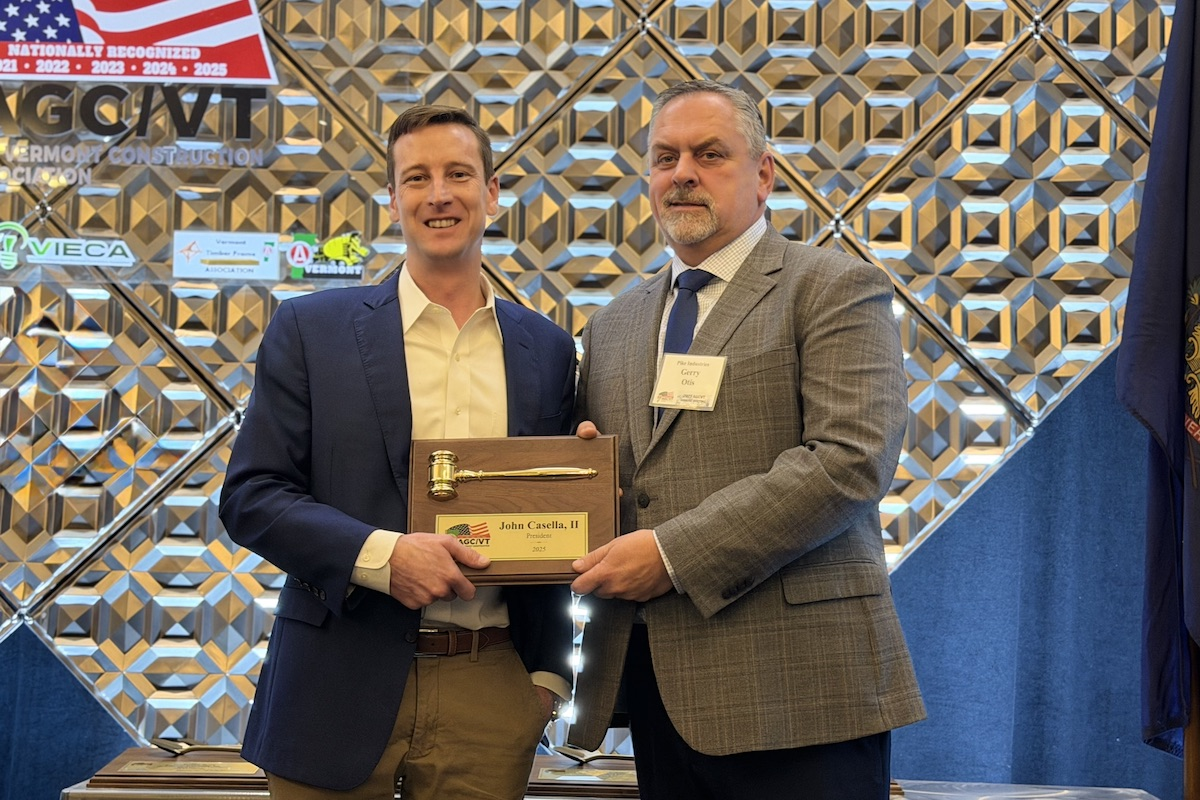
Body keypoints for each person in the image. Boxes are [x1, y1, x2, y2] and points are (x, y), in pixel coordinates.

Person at [567, 80, 926, 799]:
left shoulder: (833, 287)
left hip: (802, 694)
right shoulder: (613, 326)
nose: (683, 173)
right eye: (665, 157)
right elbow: (619, 481)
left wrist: (671, 554)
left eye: (710, 153)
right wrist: (580, 485)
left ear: (763, 174)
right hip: (661, 691)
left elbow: (848, 462)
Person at [219, 105, 577, 800]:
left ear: (493, 192)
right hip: (332, 686)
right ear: (392, 200)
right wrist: (383, 559)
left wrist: (547, 679)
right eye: (416, 177)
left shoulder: (548, 349)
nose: (438, 193)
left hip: (490, 684)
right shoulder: (309, 331)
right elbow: (251, 495)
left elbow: (557, 520)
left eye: (457, 174)